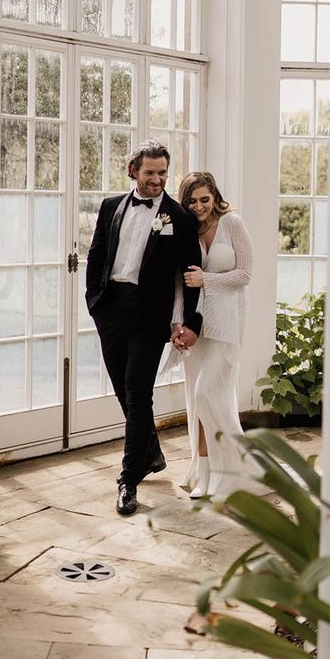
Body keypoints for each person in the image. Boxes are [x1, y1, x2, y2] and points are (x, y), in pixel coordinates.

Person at [85, 141, 202, 516]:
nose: (157, 180)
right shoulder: (110, 207)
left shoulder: (179, 218)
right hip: (111, 309)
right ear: (132, 171)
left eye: (163, 173)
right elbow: (97, 255)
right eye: (150, 172)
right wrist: (94, 302)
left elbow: (190, 276)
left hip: (150, 317)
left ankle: (128, 479)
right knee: (124, 390)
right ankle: (150, 451)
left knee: (138, 394)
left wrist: (190, 322)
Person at [170, 172, 259, 499]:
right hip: (197, 326)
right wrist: (177, 322)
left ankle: (230, 473)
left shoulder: (233, 223)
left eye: (204, 200)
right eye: (192, 202)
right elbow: (181, 281)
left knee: (210, 394)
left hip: (228, 325)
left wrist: (208, 279)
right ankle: (204, 472)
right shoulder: (186, 229)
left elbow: (245, 274)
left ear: (215, 196)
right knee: (198, 400)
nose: (199, 207)